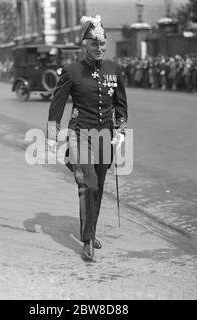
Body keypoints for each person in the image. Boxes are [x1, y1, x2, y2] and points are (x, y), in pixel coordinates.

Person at [47, 15, 128, 262]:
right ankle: (86, 241)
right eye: (94, 44)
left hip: (105, 134)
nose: (99, 48)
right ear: (85, 45)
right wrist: (52, 136)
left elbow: (121, 104)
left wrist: (121, 129)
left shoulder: (114, 69)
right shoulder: (71, 71)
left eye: (102, 44)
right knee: (88, 184)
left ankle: (91, 233)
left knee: (99, 185)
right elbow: (57, 105)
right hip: (80, 133)